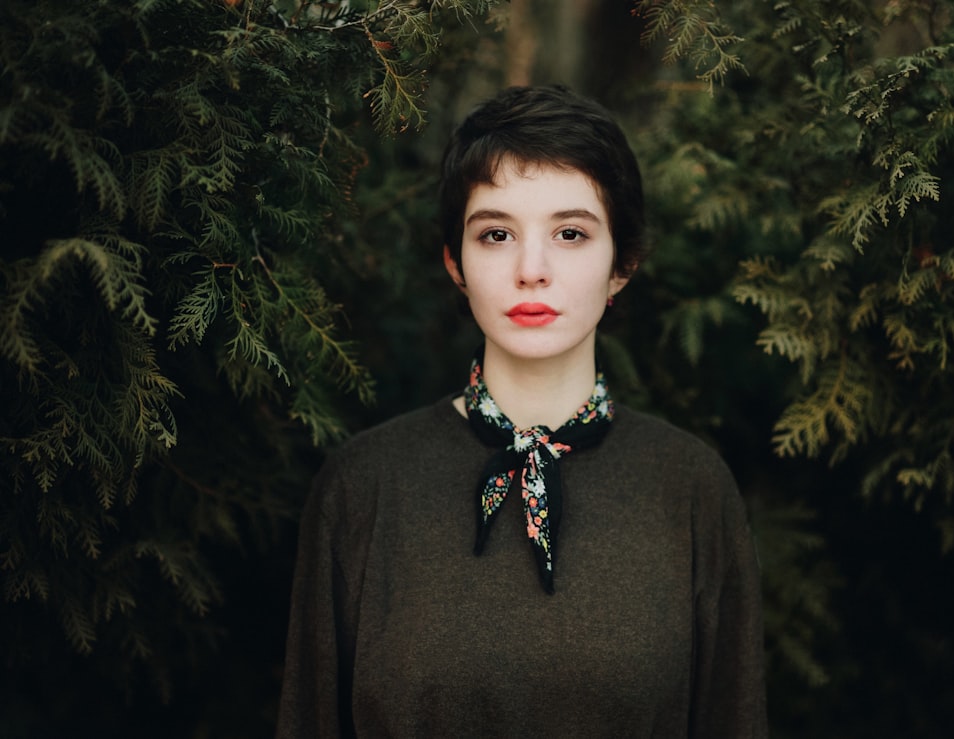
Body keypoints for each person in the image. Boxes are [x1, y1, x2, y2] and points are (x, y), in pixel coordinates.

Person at [275, 85, 767, 738]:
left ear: (622, 261)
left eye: (570, 233)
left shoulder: (691, 489)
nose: (531, 269)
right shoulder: (364, 486)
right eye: (497, 233)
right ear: (456, 261)